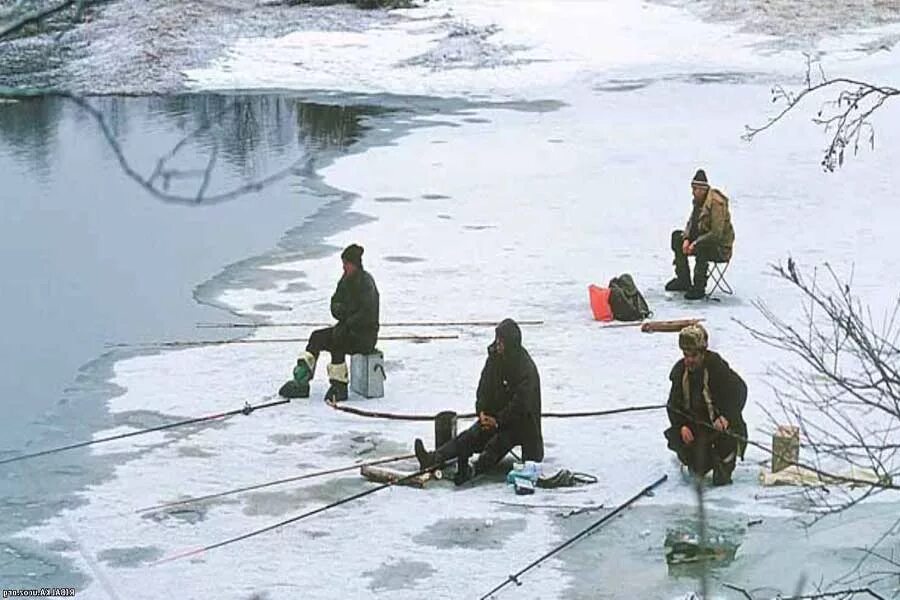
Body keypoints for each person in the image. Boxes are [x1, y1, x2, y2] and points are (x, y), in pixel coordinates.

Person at [413, 319, 543, 485]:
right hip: (495, 416)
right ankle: (433, 458)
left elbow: (521, 405)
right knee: (469, 436)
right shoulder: (494, 359)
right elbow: (483, 389)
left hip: (520, 423)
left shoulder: (526, 369)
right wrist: (482, 412)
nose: (498, 345)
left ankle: (473, 470)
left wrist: (498, 421)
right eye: (497, 340)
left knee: (497, 444)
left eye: (501, 342)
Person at [278, 244, 379, 402]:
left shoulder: (366, 283)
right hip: (345, 328)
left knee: (338, 341)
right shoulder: (344, 281)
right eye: (343, 263)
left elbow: (366, 314)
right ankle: (302, 382)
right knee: (317, 337)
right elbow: (335, 303)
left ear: (355, 264)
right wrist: (342, 312)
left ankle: (339, 386)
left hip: (364, 336)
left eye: (347, 264)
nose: (344, 267)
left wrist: (347, 322)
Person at [664, 324, 747, 485]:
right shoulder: (680, 372)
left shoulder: (717, 368)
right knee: (697, 468)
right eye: (686, 355)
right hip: (696, 428)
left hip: (721, 428)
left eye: (693, 355)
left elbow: (740, 391)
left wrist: (726, 417)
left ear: (703, 353)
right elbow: (672, 405)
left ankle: (725, 461)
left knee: (721, 477)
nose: (689, 360)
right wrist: (681, 426)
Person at [665, 169, 735, 300]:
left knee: (703, 246)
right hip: (701, 239)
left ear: (703, 189)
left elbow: (716, 234)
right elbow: (691, 223)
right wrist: (686, 238)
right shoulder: (698, 201)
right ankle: (683, 279)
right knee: (676, 237)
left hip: (719, 247)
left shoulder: (716, 204)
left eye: (695, 189)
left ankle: (699, 286)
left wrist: (696, 243)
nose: (693, 192)